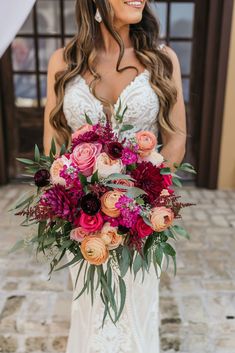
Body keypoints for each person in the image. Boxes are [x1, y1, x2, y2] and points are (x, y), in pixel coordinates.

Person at [43, 1, 186, 352]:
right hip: (85, 220)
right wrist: (68, 202)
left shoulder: (163, 59)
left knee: (137, 308)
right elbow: (53, 145)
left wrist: (142, 202)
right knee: (90, 309)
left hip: (139, 221)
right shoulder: (63, 62)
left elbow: (178, 137)